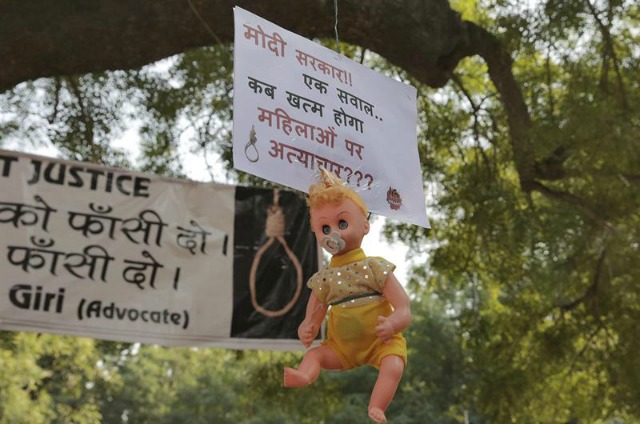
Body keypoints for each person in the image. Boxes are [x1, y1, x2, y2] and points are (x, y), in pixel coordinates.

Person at [284, 169, 411, 423]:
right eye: (325, 227)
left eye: (342, 224)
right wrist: (308, 325)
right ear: (316, 232)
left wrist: (394, 324)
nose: (334, 233)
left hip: (380, 343)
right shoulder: (325, 278)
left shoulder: (374, 267)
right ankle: (305, 375)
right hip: (341, 349)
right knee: (315, 355)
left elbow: (404, 308)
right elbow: (316, 310)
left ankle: (377, 406)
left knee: (394, 365)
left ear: (365, 226)